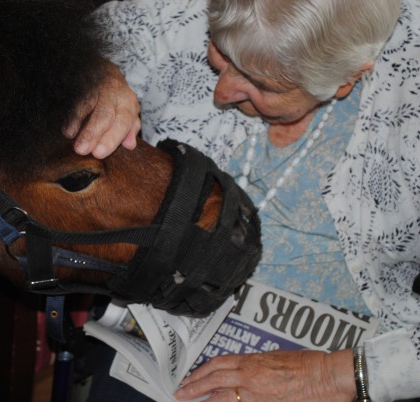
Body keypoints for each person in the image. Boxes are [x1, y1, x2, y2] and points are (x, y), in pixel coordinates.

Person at [73, 0, 420, 401]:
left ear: (347, 79)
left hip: (342, 358)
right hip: (162, 319)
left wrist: (334, 377)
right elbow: (16, 61)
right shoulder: (175, 8)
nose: (223, 92)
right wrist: (92, 75)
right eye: (220, 50)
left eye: (265, 84)